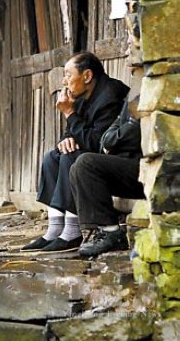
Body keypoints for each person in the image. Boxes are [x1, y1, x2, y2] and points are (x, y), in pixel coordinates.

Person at [22, 52, 129, 252]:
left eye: (68, 75)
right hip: (90, 157)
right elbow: (71, 131)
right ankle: (54, 230)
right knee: (53, 157)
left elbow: (101, 143)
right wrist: (65, 140)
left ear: (87, 76)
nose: (64, 80)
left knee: (71, 158)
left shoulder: (110, 95)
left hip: (115, 164)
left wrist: (69, 113)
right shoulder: (80, 95)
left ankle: (72, 231)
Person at [71, 96, 144, 257]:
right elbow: (106, 137)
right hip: (129, 162)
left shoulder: (154, 94)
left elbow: (134, 135)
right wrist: (113, 140)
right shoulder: (134, 97)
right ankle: (101, 230)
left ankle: (112, 232)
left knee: (86, 163)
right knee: (76, 166)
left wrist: (113, 141)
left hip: (149, 170)